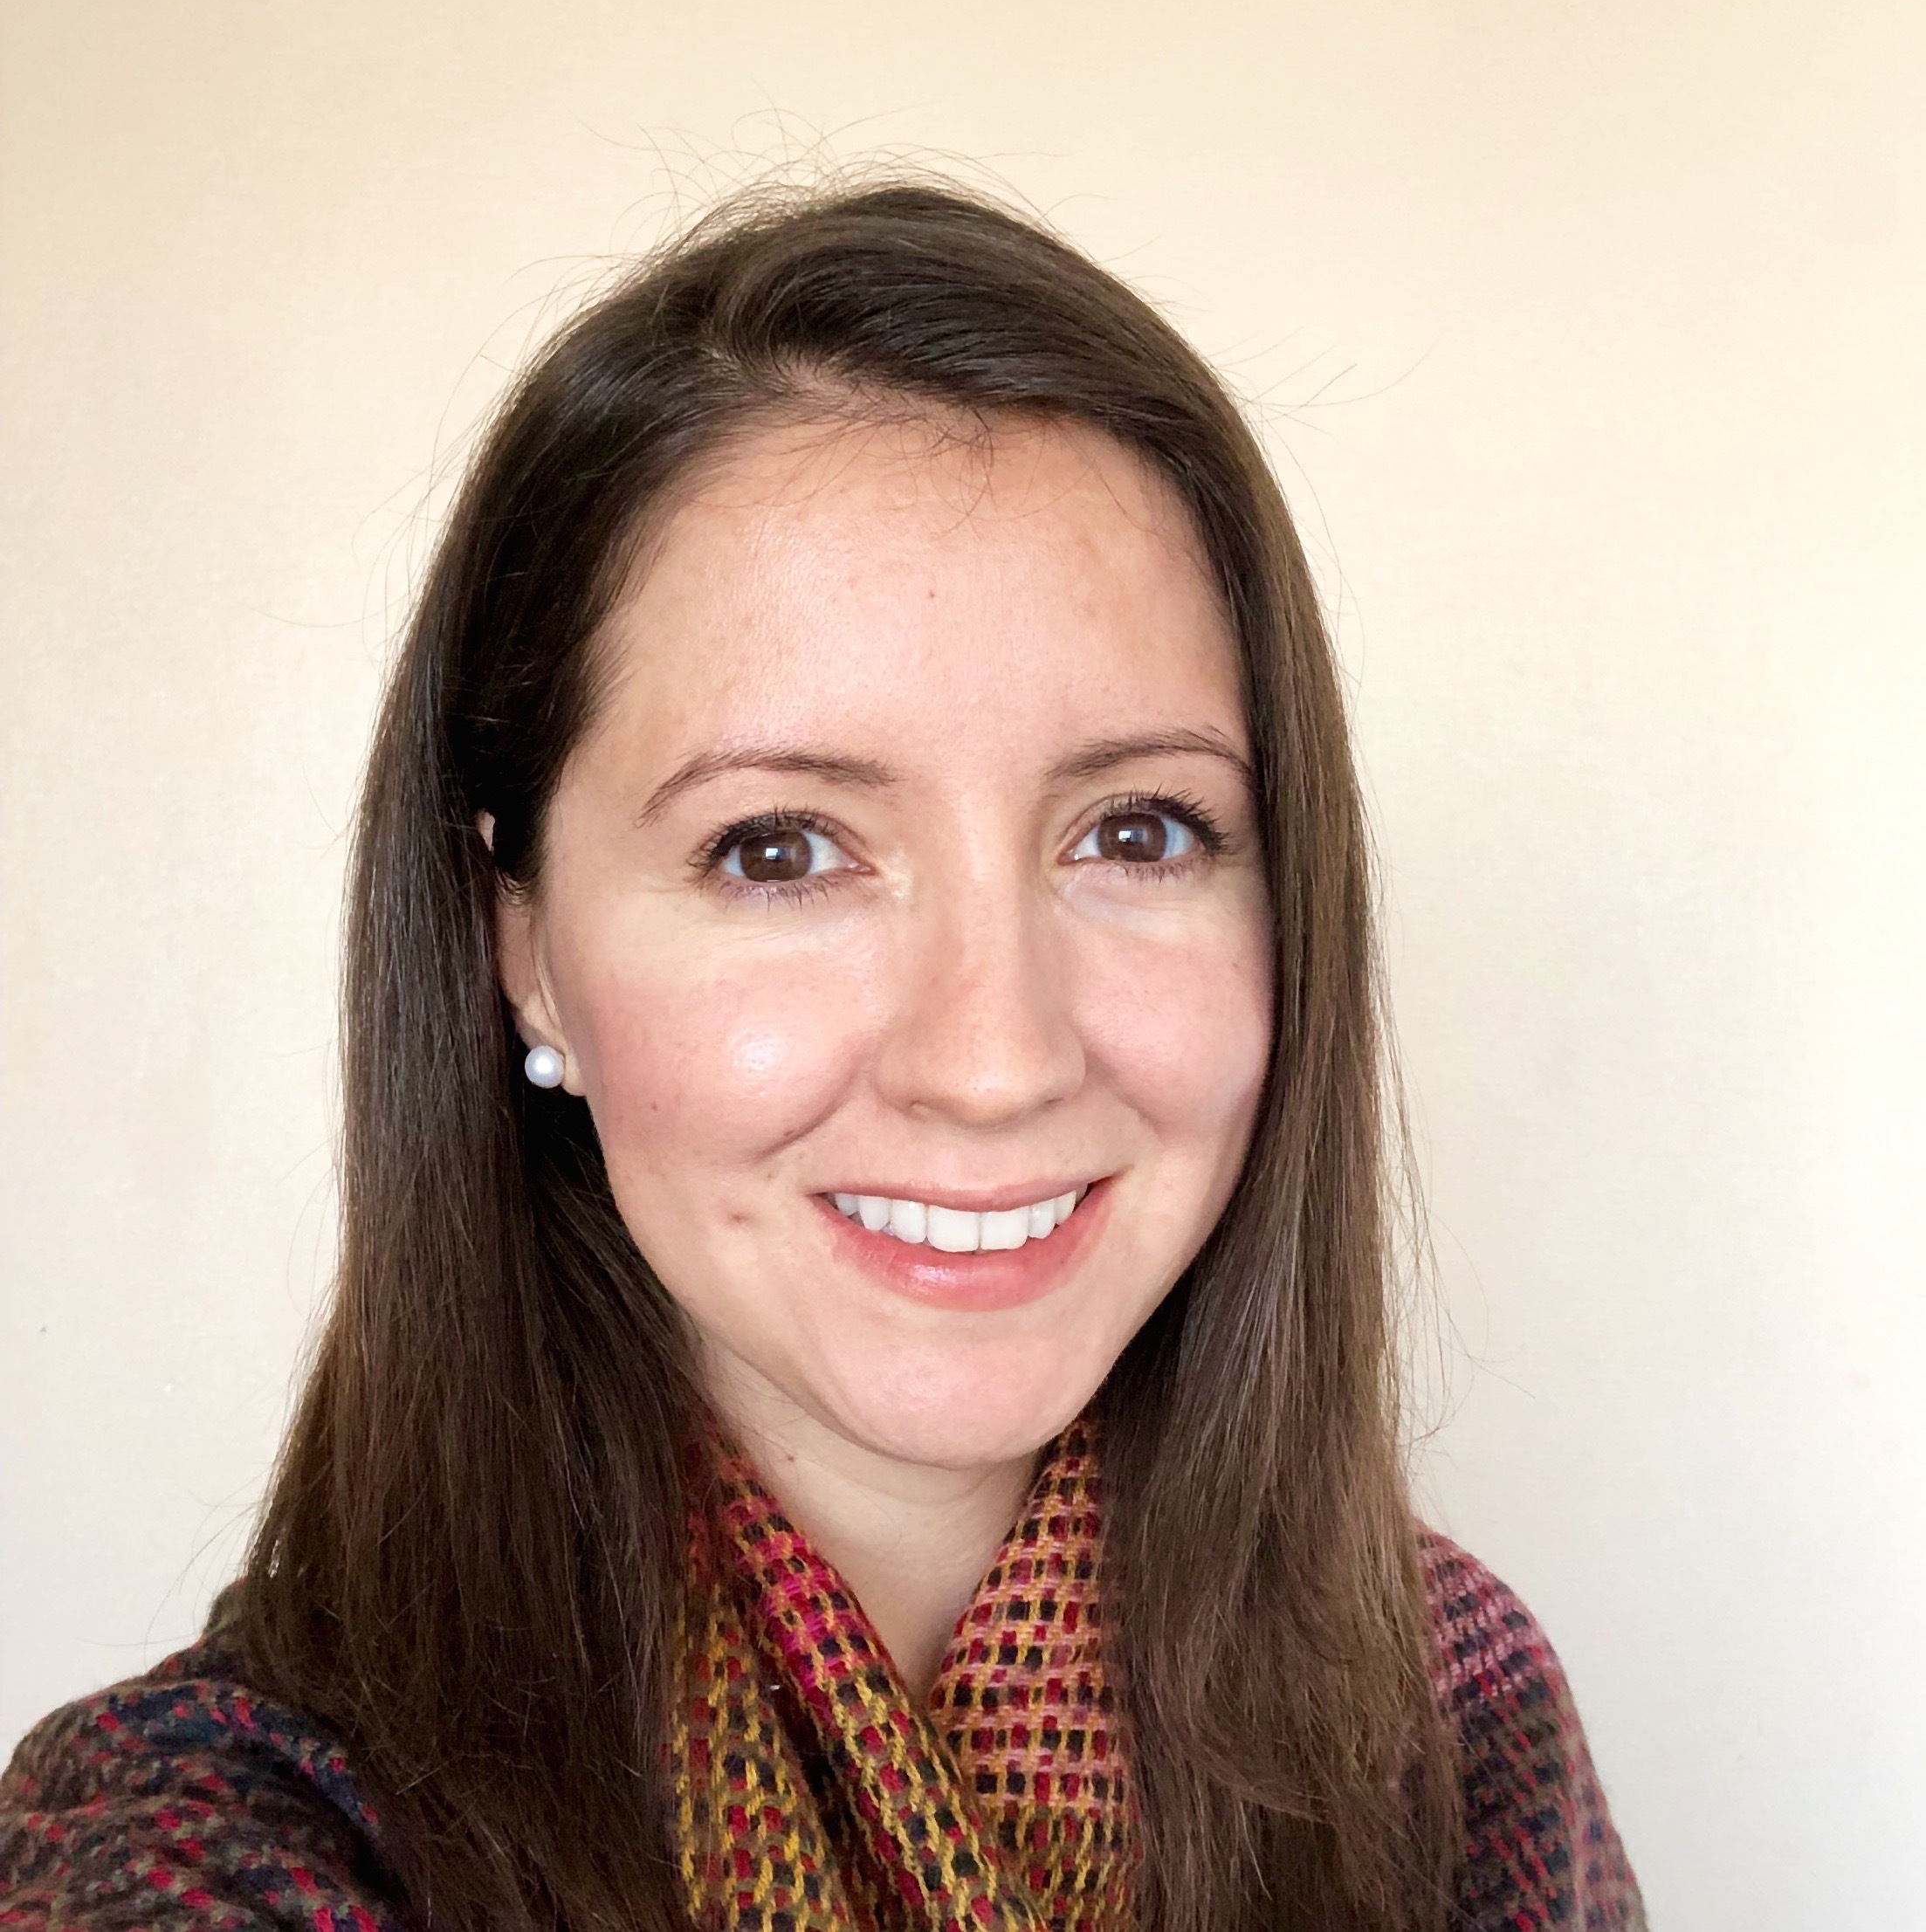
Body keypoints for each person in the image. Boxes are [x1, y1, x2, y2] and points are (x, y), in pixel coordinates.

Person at [0, 179, 1642, 1932]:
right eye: (777, 847)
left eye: (1138, 830)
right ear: (521, 950)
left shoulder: (1446, 1720)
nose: (994, 1055)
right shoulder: (200, 1846)